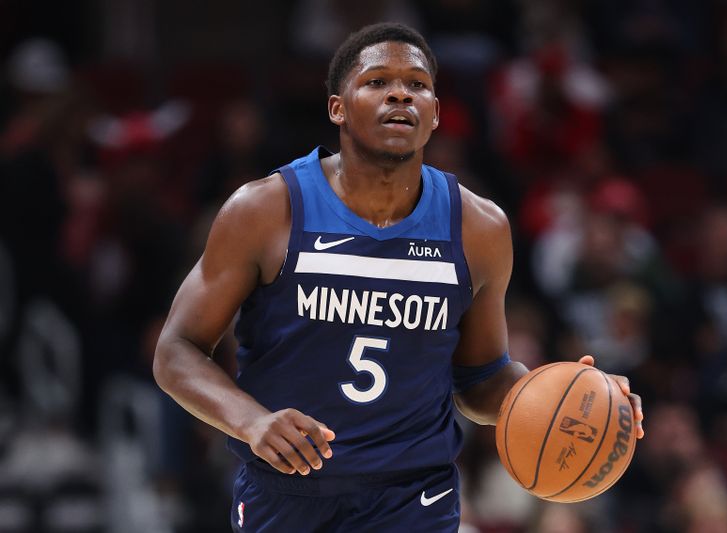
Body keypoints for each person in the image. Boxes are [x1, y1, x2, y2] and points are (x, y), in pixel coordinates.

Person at [153, 22, 644, 532]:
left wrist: (578, 396)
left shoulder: (479, 228)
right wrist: (251, 421)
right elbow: (176, 351)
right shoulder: (265, 210)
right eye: (377, 81)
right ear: (337, 108)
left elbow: (478, 381)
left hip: (414, 496)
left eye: (417, 84)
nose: (399, 94)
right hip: (287, 490)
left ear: (434, 114)